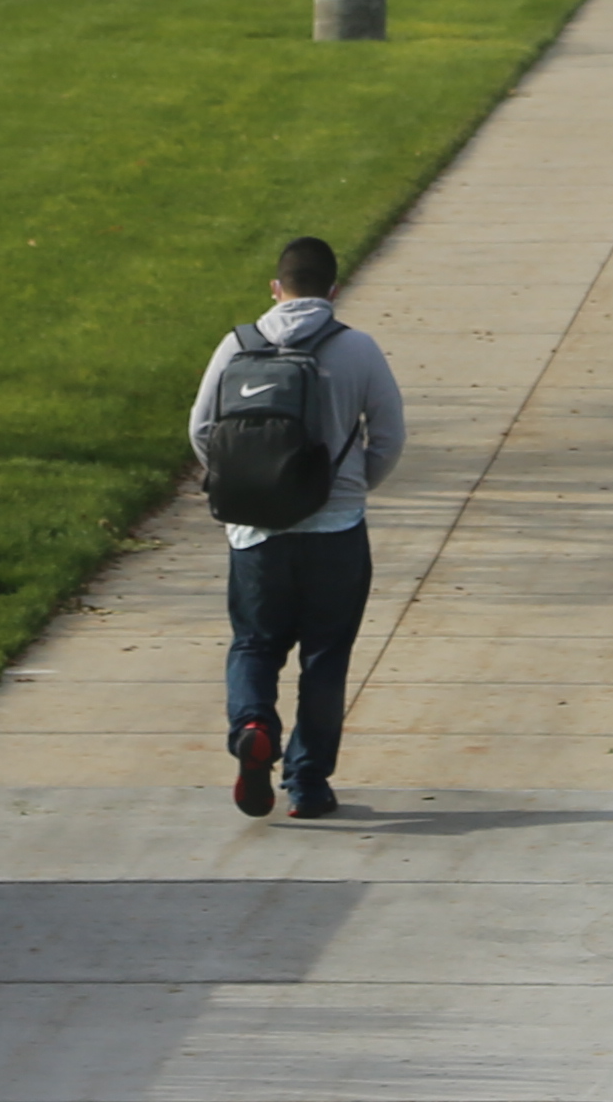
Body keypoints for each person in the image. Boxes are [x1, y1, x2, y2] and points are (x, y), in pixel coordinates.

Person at [188, 232, 405, 818]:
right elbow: (389, 437)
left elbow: (201, 431)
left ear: (275, 289)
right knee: (326, 655)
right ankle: (307, 783)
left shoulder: (235, 346)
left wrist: (249, 487)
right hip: (336, 531)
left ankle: (253, 726)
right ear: (333, 291)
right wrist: (351, 489)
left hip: (256, 536)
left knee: (255, 643)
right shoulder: (358, 349)